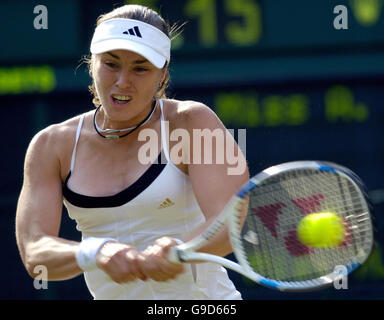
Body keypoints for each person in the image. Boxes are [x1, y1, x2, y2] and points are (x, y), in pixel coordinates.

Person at [15, 4, 249, 300]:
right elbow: (36, 253)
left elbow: (231, 220)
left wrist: (181, 250)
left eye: (140, 68)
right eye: (111, 64)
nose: (122, 81)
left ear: (162, 75)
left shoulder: (191, 122)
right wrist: (95, 253)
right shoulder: (50, 146)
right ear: (92, 64)